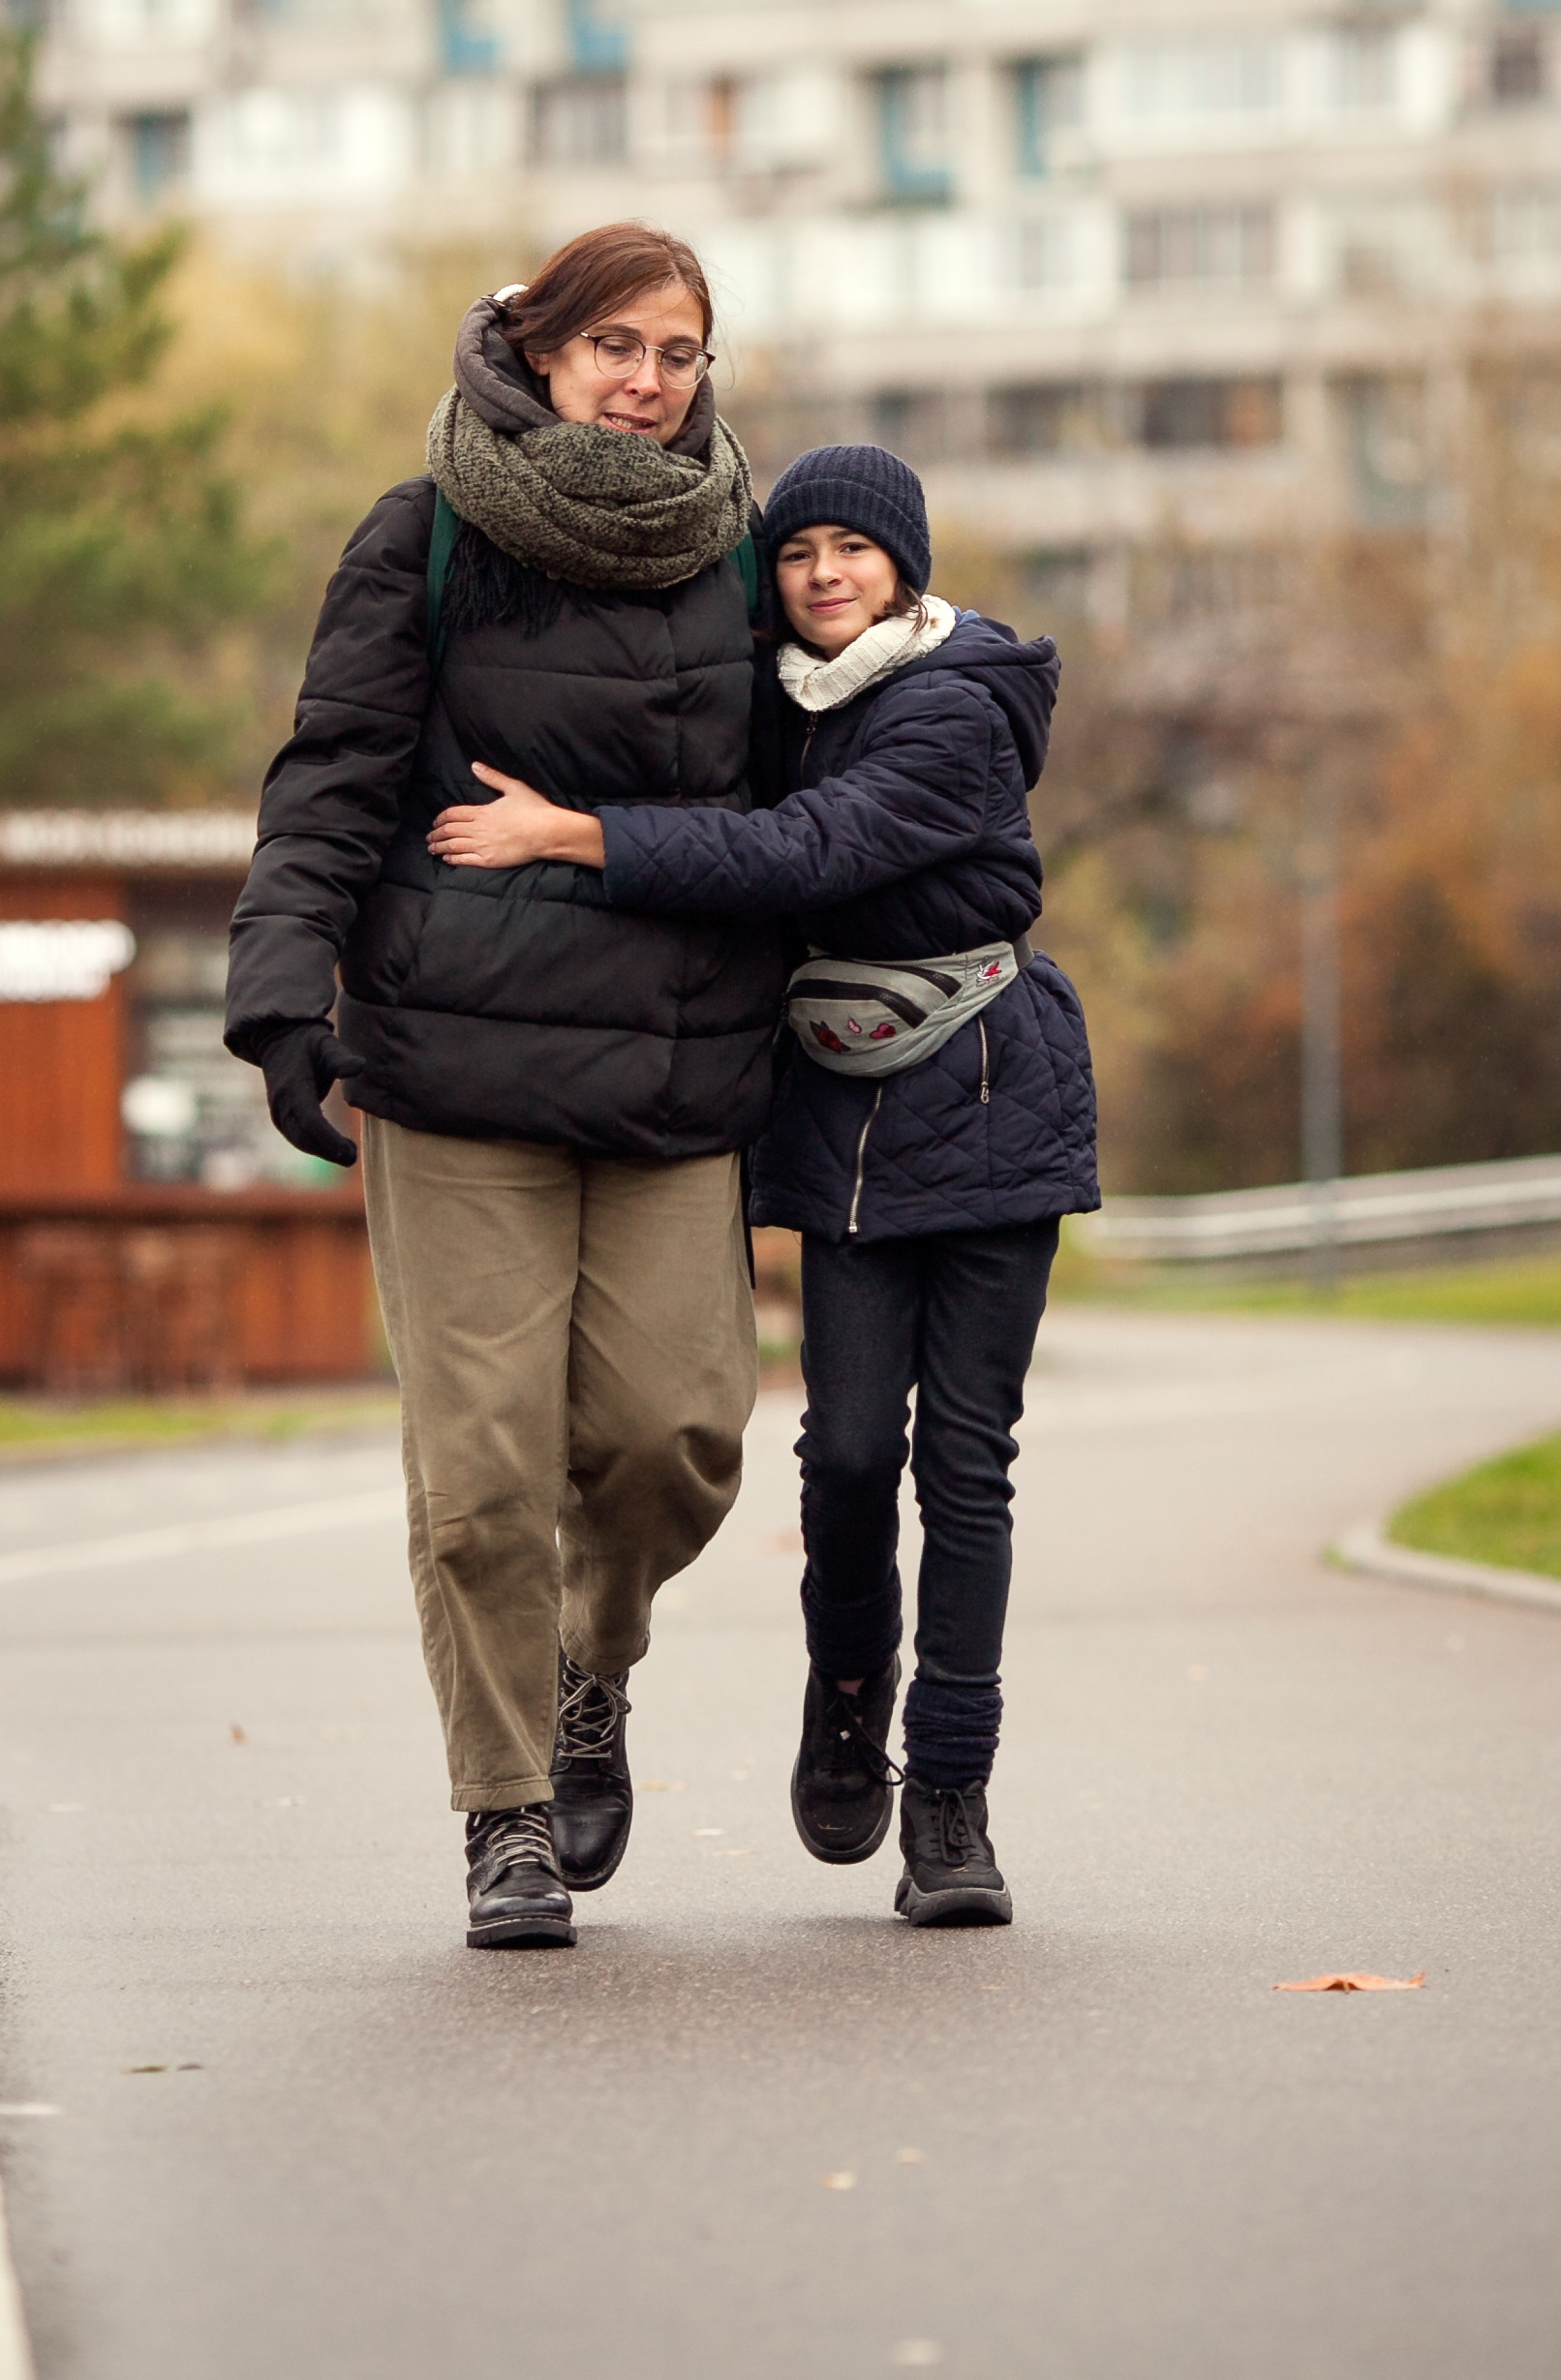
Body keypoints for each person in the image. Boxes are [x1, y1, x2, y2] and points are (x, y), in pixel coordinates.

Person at [429, 443, 1099, 1928]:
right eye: (796, 552)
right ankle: (848, 1690)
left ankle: (949, 1801)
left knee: (964, 1466)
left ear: (904, 568)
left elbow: (809, 849)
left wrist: (568, 834)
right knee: (850, 1452)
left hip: (987, 1093)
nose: (822, 573)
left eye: (854, 549)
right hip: (841, 1105)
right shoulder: (780, 702)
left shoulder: (953, 705)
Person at [225, 226, 782, 1952]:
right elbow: (332, 774)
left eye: (677, 352)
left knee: (672, 1435)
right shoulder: (429, 537)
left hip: (673, 1063)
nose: (644, 378)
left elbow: (807, 806)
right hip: (453, 1060)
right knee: (479, 1478)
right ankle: (506, 1815)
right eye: (613, 343)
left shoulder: (742, 556)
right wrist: (278, 998)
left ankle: (585, 1664)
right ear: (538, 353)